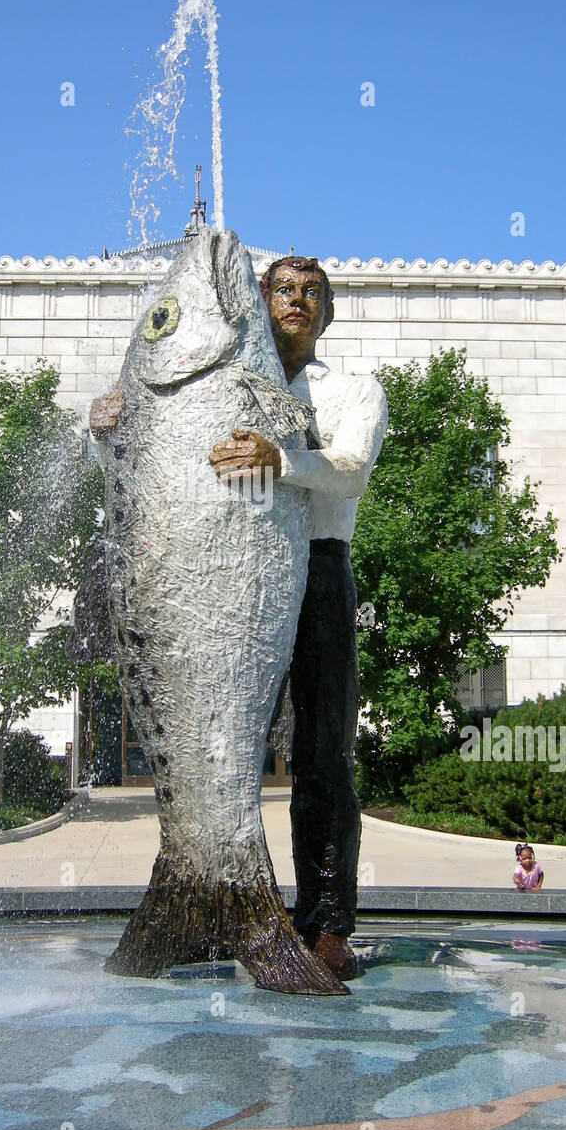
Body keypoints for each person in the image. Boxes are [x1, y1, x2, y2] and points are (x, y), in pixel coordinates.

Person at [208, 256, 388, 980]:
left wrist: (281, 459)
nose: (298, 301)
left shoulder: (353, 390)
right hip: (234, 575)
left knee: (322, 756)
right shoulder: (224, 386)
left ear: (329, 311)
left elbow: (349, 468)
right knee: (221, 753)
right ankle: (221, 909)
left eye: (313, 292)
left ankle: (327, 922)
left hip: (317, 571)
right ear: (261, 302)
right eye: (284, 289)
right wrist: (110, 431)